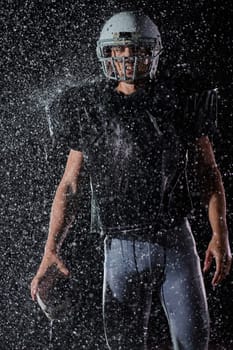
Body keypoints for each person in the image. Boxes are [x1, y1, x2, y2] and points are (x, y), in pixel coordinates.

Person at [31, 10, 232, 350]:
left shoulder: (178, 98)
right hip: (119, 247)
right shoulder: (89, 105)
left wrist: (221, 234)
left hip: (175, 241)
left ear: (152, 52)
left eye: (136, 49)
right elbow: (70, 185)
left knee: (194, 342)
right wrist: (50, 248)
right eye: (119, 51)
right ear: (106, 53)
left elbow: (207, 171)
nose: (126, 57)